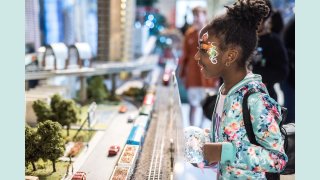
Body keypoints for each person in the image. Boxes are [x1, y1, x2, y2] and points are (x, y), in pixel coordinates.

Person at [192, 0, 287, 179]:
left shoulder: (256, 100)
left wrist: (224, 152)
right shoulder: (224, 92)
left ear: (230, 56)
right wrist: (205, 151)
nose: (197, 56)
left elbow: (277, 159)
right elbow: (228, 142)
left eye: (204, 50)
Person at [179, 6, 219, 127]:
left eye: (198, 15)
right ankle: (191, 129)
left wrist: (218, 75)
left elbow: (215, 55)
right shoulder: (189, 34)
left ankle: (201, 128)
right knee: (193, 105)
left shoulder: (212, 34)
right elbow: (184, 55)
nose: (196, 18)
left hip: (208, 78)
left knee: (206, 104)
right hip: (193, 76)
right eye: (194, 15)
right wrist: (182, 75)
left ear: (204, 15)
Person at [251, 1, 289, 102]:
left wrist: (253, 73)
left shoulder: (273, 41)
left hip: (264, 100)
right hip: (236, 102)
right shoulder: (238, 38)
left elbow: (282, 71)